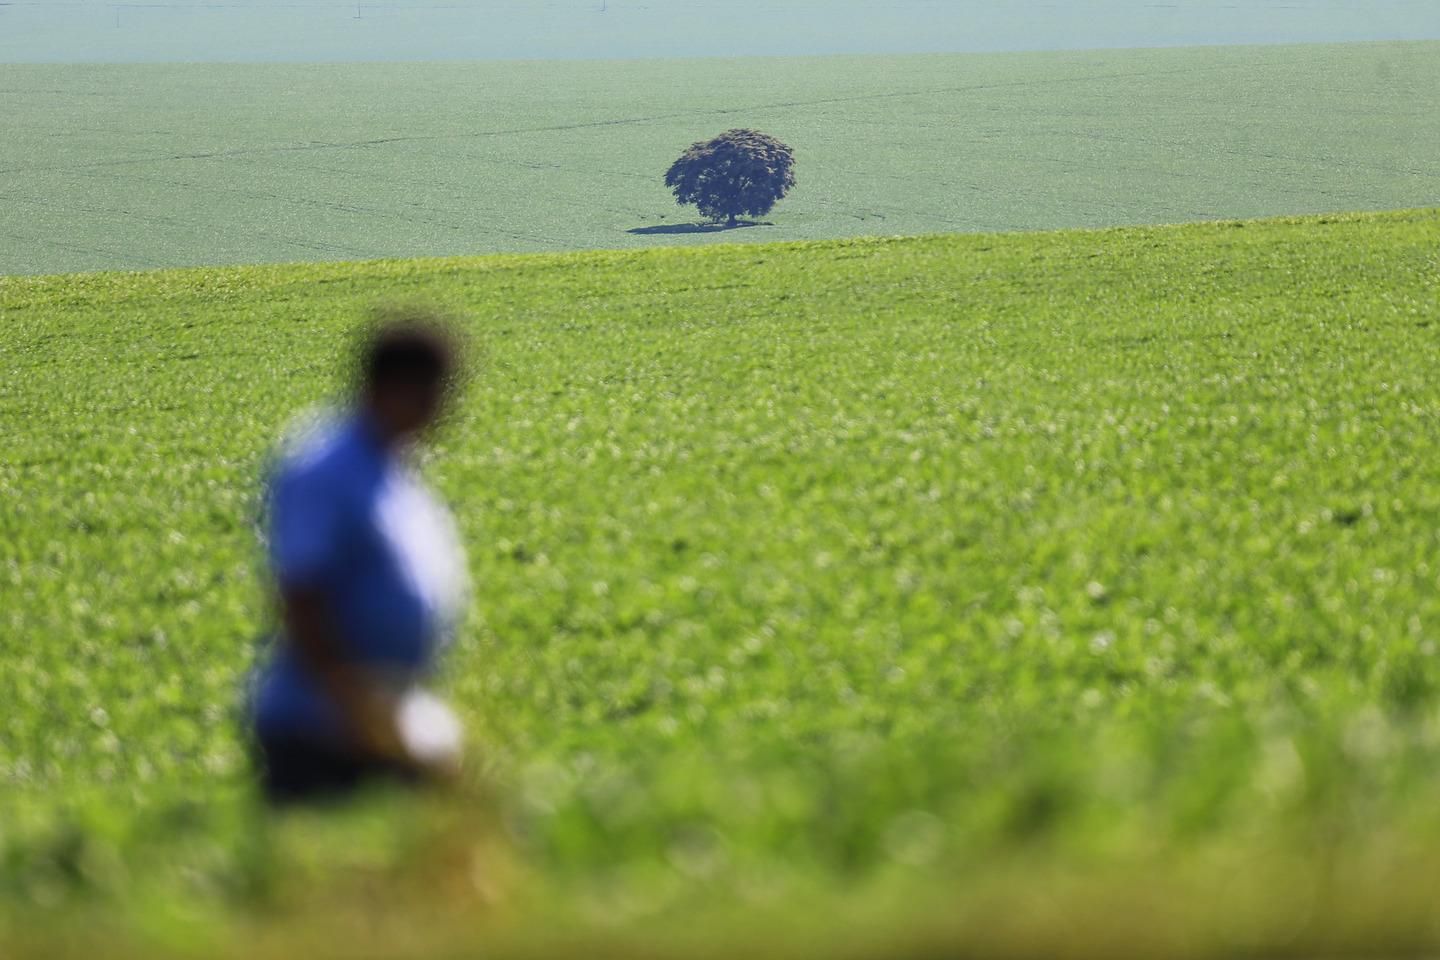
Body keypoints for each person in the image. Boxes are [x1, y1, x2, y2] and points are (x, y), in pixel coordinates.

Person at [247, 311, 469, 805]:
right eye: (437, 393)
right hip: (322, 733)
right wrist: (352, 701)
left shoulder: (391, 466)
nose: (444, 410)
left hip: (386, 720)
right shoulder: (325, 468)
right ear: (397, 387)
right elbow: (300, 592)